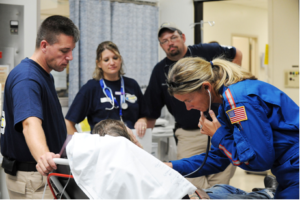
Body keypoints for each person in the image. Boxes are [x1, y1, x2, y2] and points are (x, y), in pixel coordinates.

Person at [165, 56, 300, 199]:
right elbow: (217, 159)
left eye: (189, 100)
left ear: (206, 87)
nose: (188, 108)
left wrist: (218, 135)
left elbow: (260, 161)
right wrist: (170, 167)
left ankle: (266, 194)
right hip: (287, 173)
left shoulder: (238, 99)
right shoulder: (227, 104)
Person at [144, 22, 242, 189]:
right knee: (192, 186)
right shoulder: (160, 70)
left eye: (173, 37)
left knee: (220, 185)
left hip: (221, 127)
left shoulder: (206, 51)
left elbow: (236, 54)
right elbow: (151, 110)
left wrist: (232, 84)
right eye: (164, 41)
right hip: (189, 134)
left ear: (183, 38)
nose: (170, 43)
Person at [0, 15, 79, 199]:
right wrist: (43, 156)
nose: (70, 57)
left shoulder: (44, 75)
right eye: (64, 50)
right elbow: (30, 123)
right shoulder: (27, 78)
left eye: (72, 50)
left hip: (42, 176)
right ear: (44, 46)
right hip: (33, 180)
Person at [65, 41, 149, 137]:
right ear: (99, 64)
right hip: (103, 147)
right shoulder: (90, 88)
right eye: (106, 60)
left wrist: (142, 120)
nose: (112, 62)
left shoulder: (132, 84)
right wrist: (84, 144)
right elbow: (68, 123)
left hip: (130, 143)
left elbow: (143, 115)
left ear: (120, 60)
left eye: (115, 58)